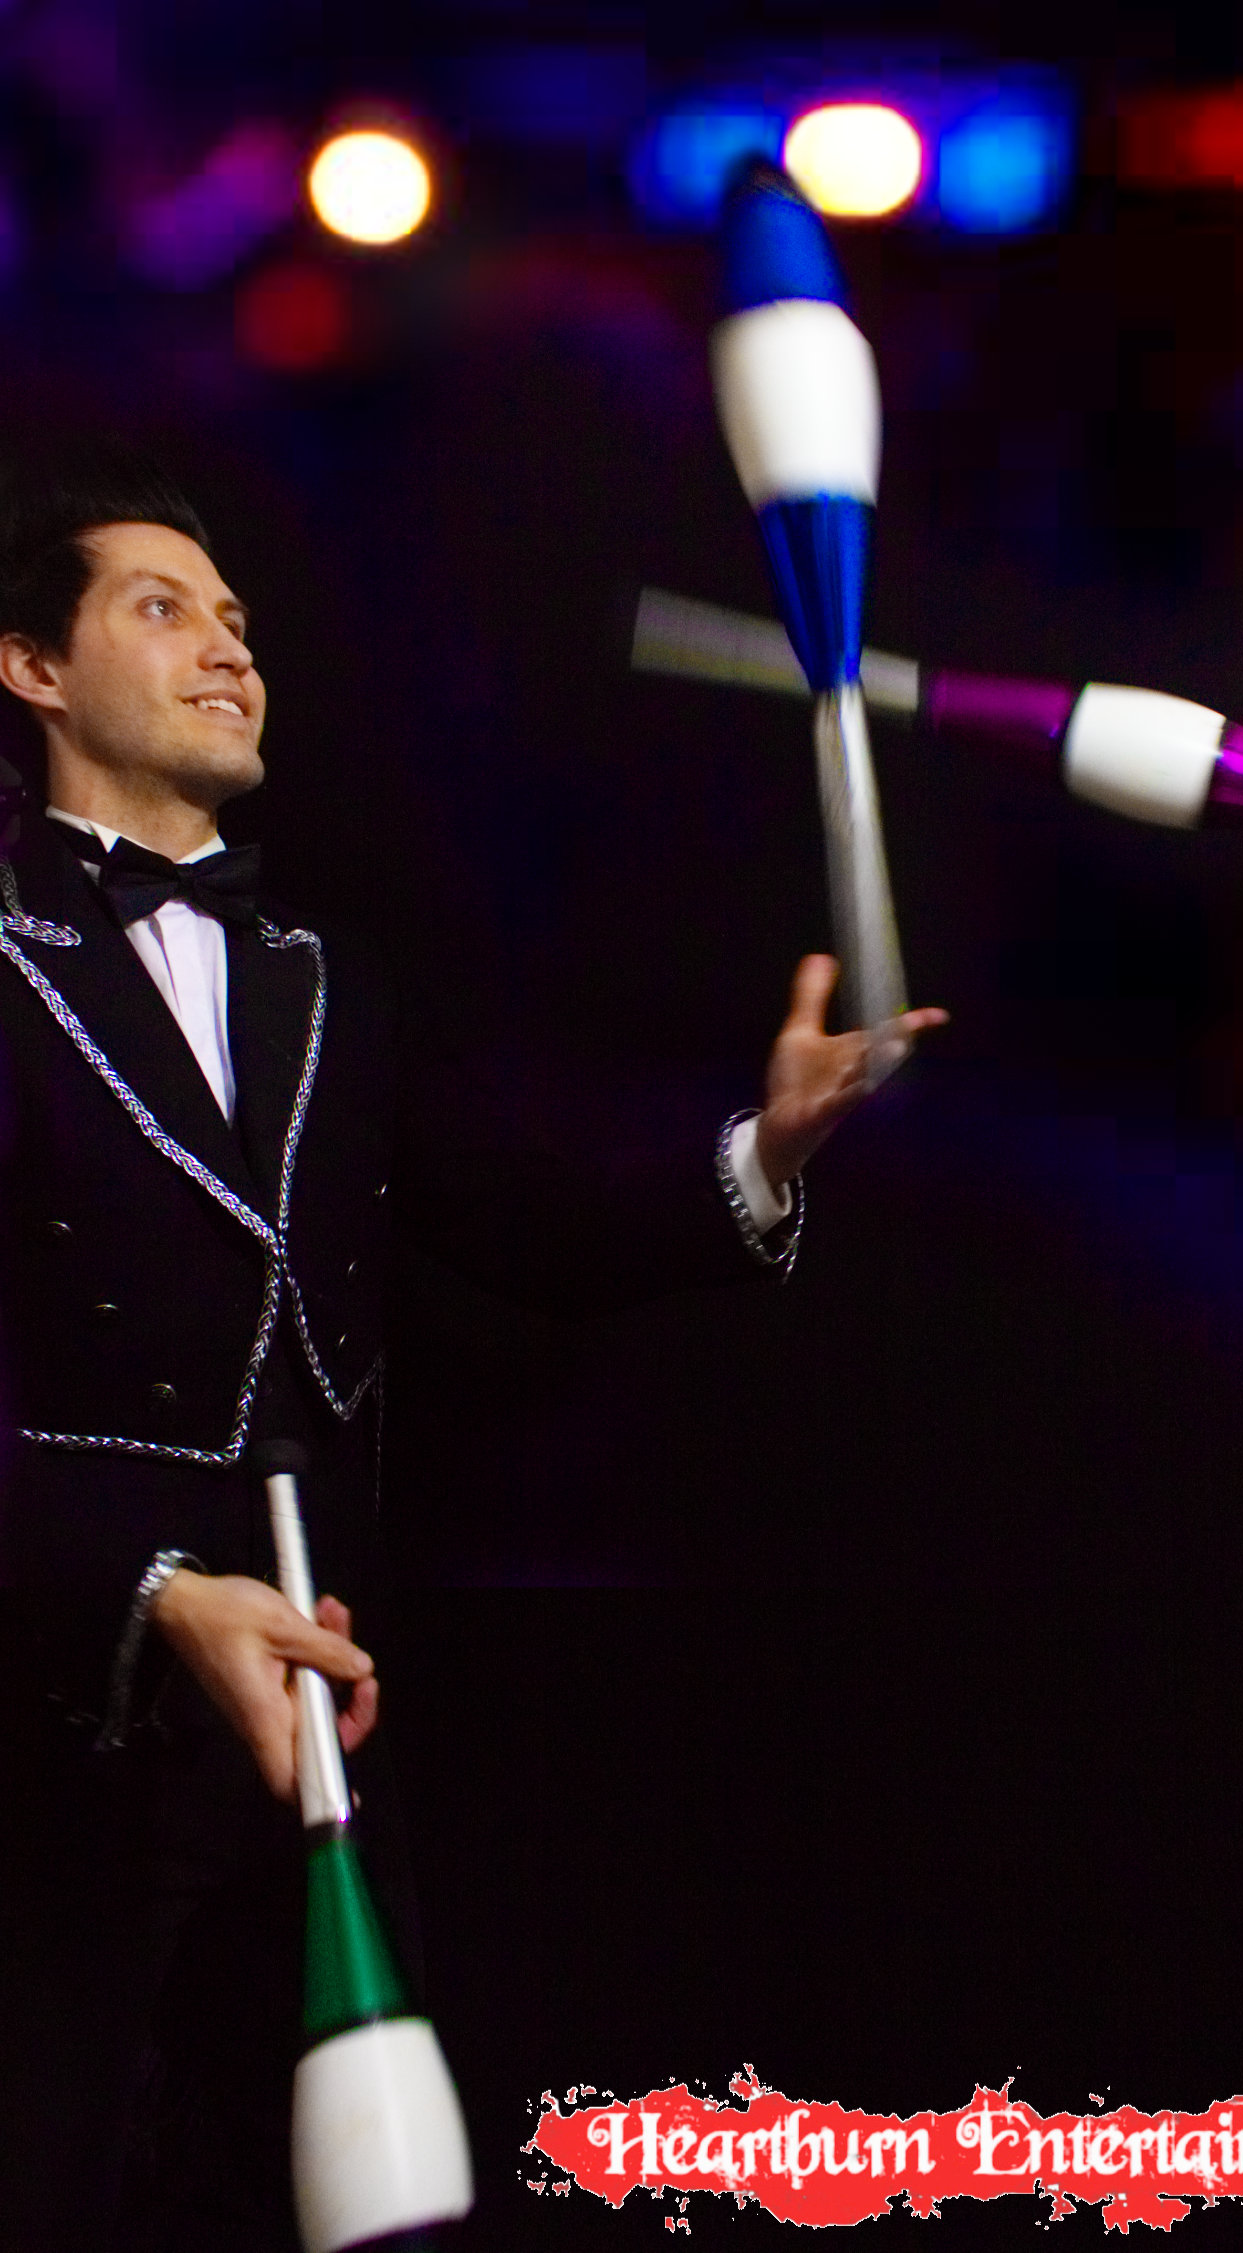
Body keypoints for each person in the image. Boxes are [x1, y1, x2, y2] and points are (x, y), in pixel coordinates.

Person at [0, 444, 946, 2251]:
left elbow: (525, 1220)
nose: (229, 648)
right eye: (164, 608)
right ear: (33, 667)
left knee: (329, 2208)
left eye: (238, 619)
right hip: (56, 1719)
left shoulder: (326, 974)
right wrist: (148, 1591)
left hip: (322, 1720)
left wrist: (765, 1154)